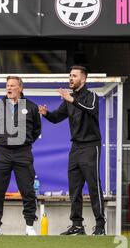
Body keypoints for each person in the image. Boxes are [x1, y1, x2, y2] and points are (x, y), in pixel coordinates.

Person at [38, 65, 106, 235]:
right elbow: (55, 118)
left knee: (93, 186)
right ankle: (77, 225)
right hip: (75, 147)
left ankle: (100, 226)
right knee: (74, 187)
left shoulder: (91, 96)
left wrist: (73, 100)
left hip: (91, 146)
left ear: (83, 79)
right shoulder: (69, 99)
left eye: (74, 76)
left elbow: (91, 110)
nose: (70, 78)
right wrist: (46, 113)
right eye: (70, 75)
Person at [0, 76, 41, 236]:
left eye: (13, 86)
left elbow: (37, 129)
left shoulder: (31, 107)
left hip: (23, 153)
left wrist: (25, 141)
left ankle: (30, 226)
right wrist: (2, 140)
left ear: (20, 88)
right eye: (7, 86)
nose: (9, 88)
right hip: (2, 152)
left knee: (28, 190)